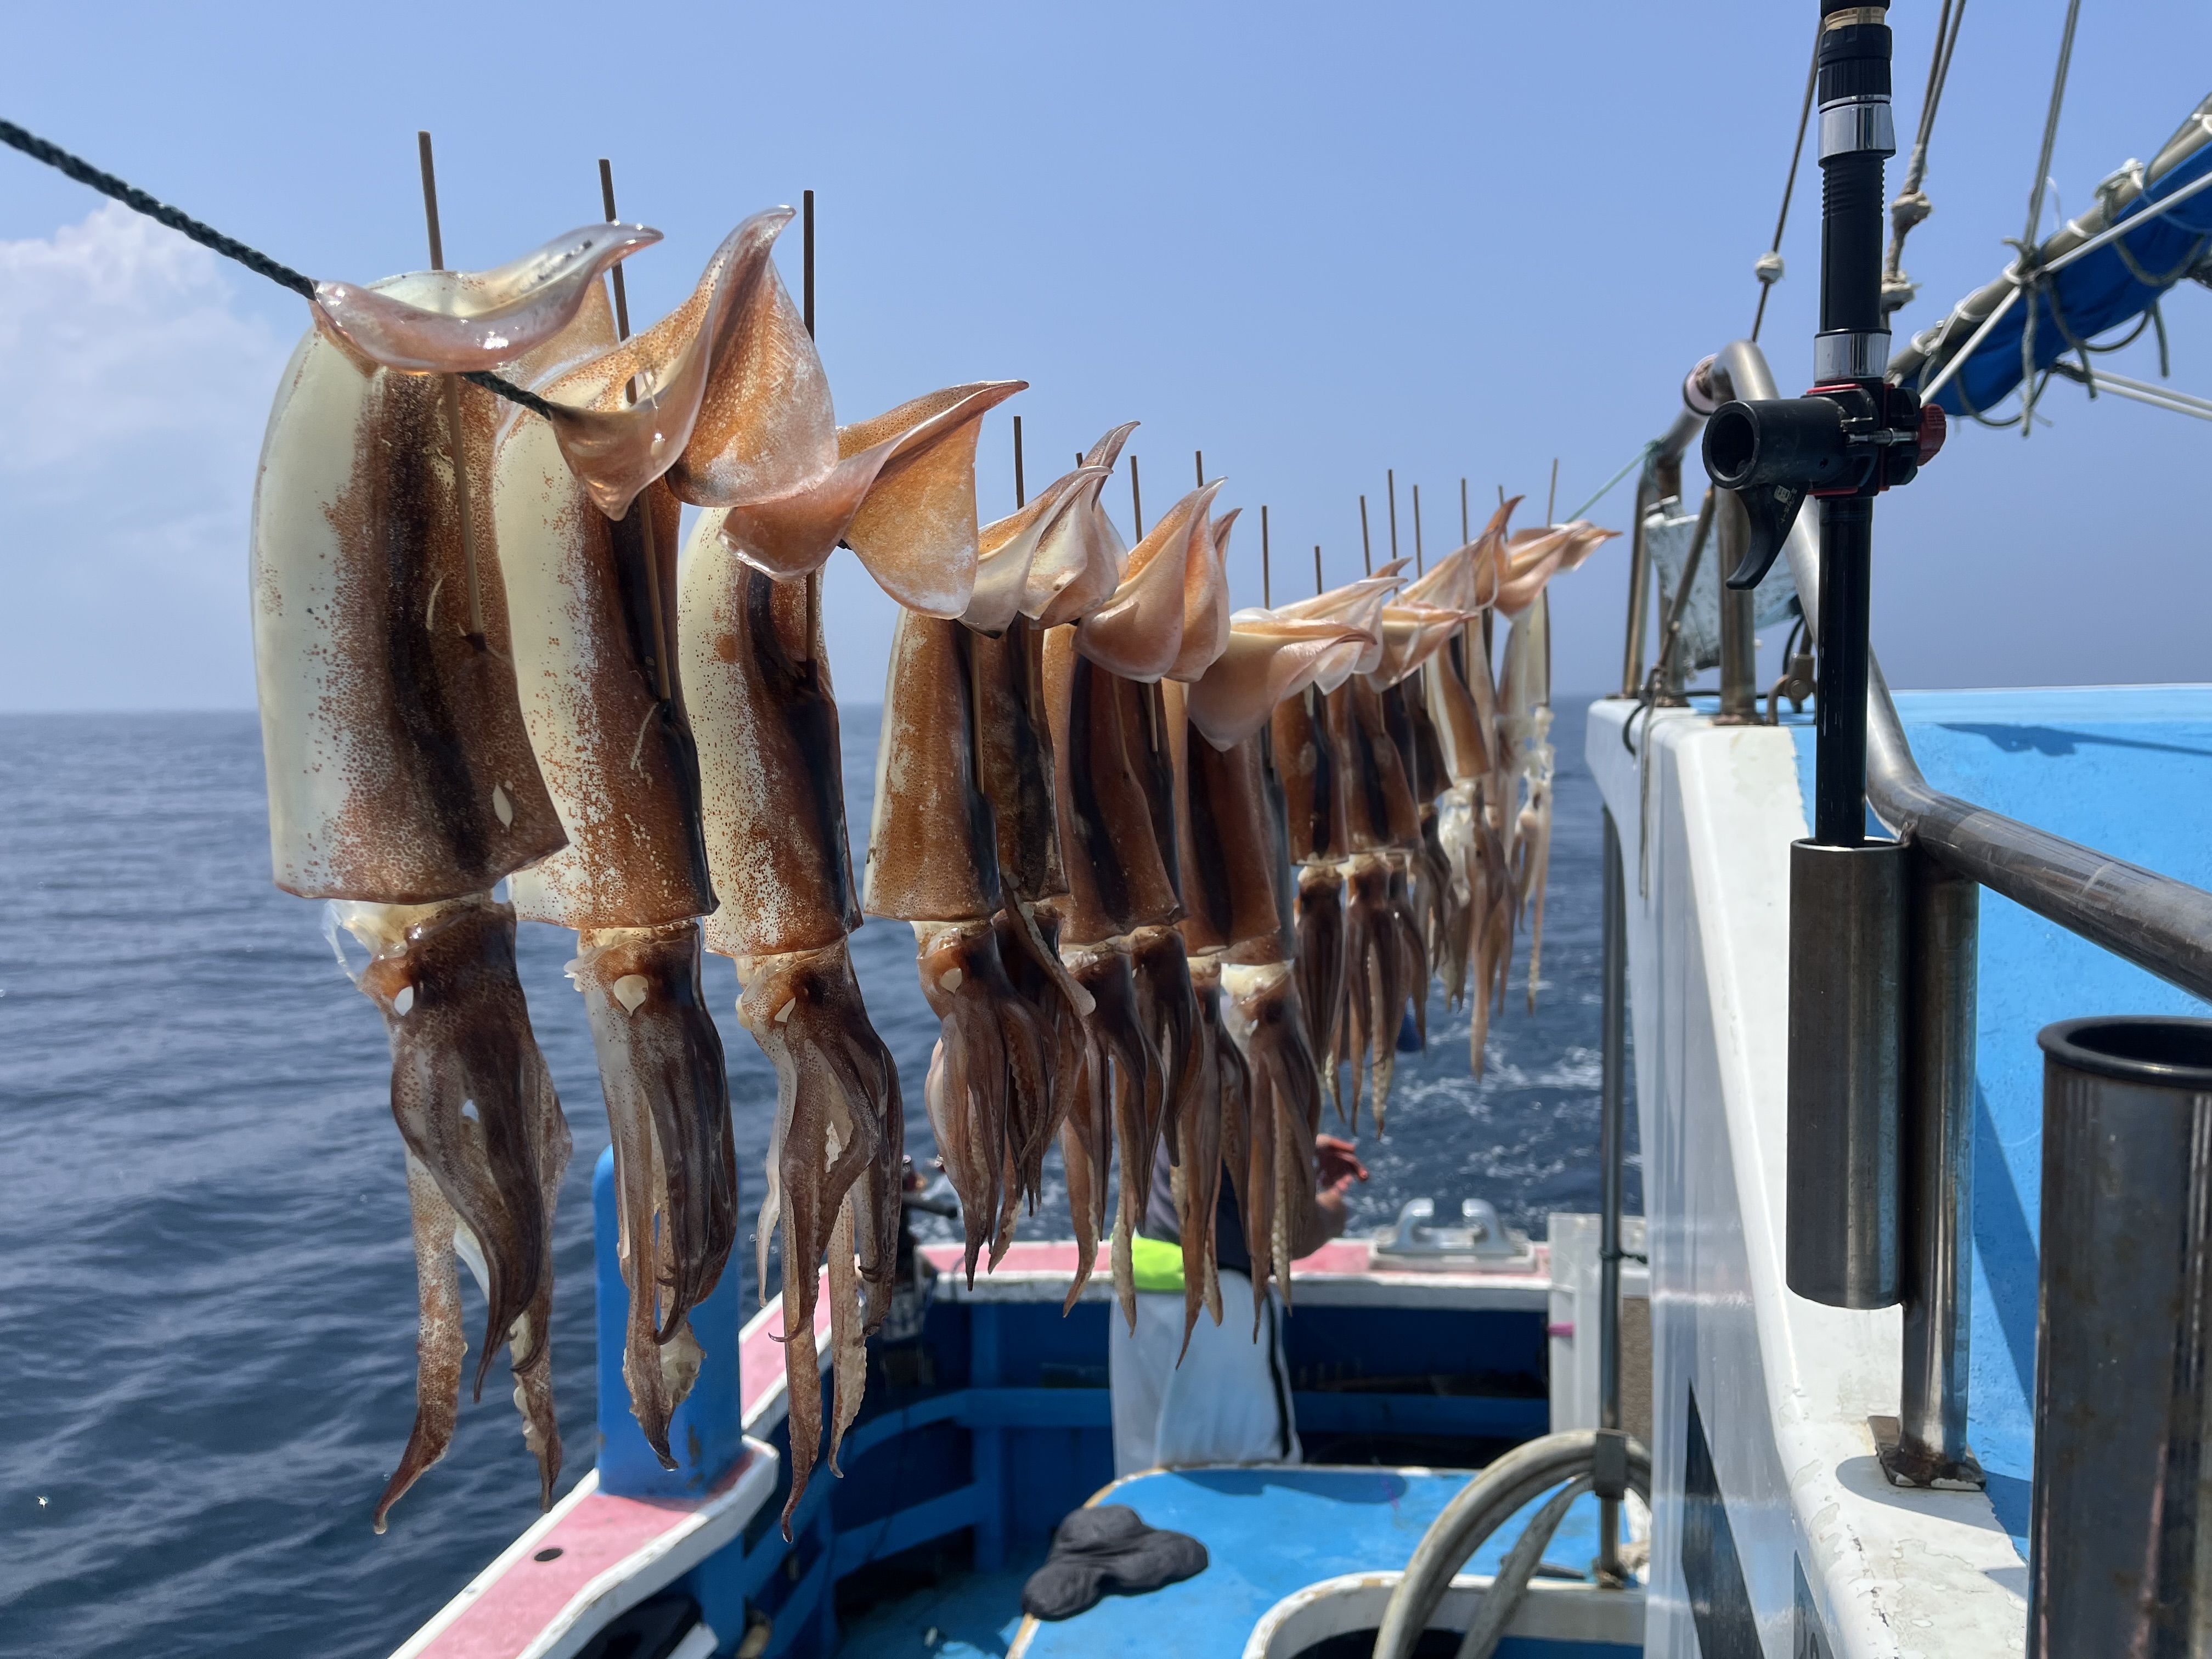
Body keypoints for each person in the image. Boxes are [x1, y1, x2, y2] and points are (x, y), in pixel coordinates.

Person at [1108, 1125, 1368, 1476]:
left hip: (1138, 1287)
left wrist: (1297, 1143)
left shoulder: (1166, 1083)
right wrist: (1333, 1212)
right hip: (1218, 1305)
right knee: (1243, 1475)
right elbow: (1293, 1232)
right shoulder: (1268, 1088)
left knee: (1146, 1477)